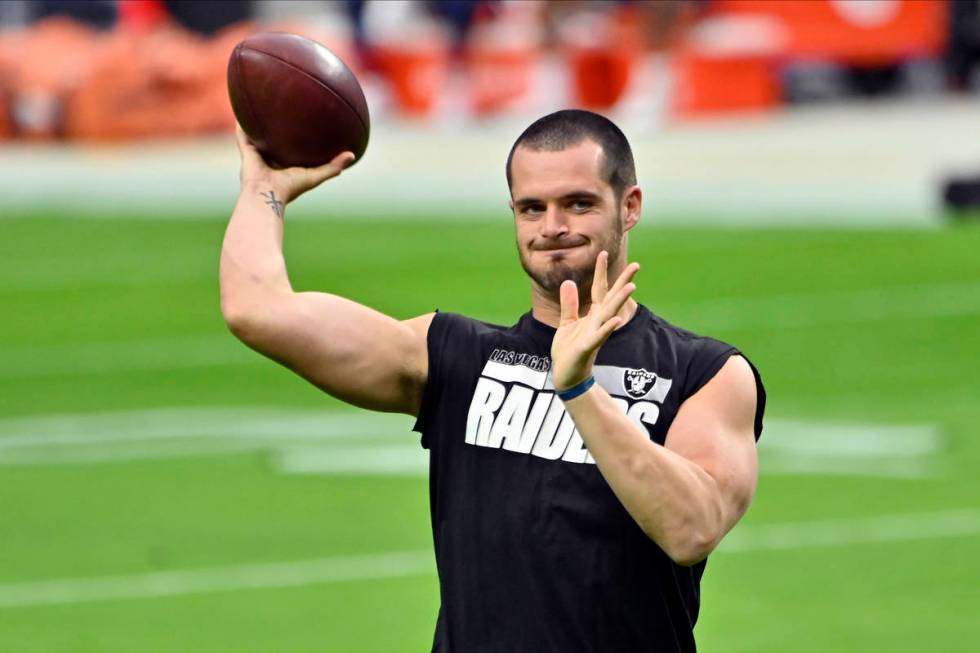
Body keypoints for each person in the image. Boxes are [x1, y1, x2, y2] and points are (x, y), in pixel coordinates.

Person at [220, 109, 766, 653]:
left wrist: (578, 389)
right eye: (532, 208)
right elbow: (259, 310)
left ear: (630, 207)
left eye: (578, 203)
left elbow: (691, 529)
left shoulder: (706, 372)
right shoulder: (457, 356)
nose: (552, 226)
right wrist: (263, 189)